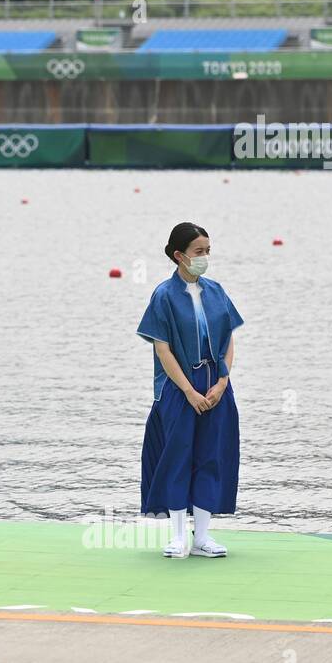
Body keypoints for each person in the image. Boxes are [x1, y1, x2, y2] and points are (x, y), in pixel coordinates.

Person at [136, 222, 244, 559]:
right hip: (178, 387)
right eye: (199, 252)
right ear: (179, 256)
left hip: (215, 384)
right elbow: (163, 349)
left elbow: (228, 340)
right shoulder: (163, 295)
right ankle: (179, 535)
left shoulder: (217, 291)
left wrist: (222, 382)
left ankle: (203, 536)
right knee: (178, 455)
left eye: (208, 251)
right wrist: (188, 391)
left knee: (212, 455)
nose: (205, 257)